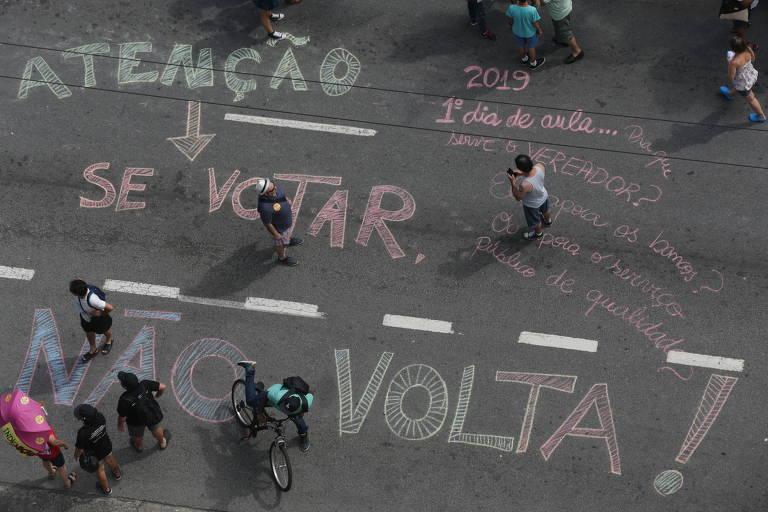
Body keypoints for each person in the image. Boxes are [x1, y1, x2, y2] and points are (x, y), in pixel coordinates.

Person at [237, 361, 314, 452]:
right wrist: (260, 413)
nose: (285, 411)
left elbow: (311, 393)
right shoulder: (276, 396)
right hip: (274, 394)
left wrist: (302, 412)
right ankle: (250, 370)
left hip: (292, 405)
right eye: (284, 409)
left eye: (288, 411)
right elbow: (266, 396)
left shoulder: (305, 402)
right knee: (251, 401)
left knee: (299, 421)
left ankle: (303, 436)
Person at [116, 371, 171, 452]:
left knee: (137, 435)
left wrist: (120, 425)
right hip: (151, 414)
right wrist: (157, 396)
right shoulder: (145, 384)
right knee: (155, 428)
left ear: (124, 386)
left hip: (135, 420)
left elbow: (122, 416)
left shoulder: (124, 399)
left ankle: (138, 446)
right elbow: (162, 387)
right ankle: (162, 442)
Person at [73, 404, 121, 496]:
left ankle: (106, 489)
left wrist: (76, 455)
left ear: (84, 419)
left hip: (94, 454)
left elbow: (80, 449)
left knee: (100, 470)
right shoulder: (100, 417)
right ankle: (117, 474)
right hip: (106, 445)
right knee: (110, 459)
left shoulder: (83, 432)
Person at [255, 178, 303, 267]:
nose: (276, 188)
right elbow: (267, 223)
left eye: (273, 185)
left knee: (288, 232)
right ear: (266, 193)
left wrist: (286, 199)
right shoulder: (265, 208)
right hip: (279, 229)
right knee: (280, 244)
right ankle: (282, 258)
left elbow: (282, 194)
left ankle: (289, 240)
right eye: (273, 189)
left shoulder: (274, 188)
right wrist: (276, 234)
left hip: (287, 222)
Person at [720, 36, 766, 122]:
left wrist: (729, 62)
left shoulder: (734, 62)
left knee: (751, 98)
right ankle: (730, 94)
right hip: (751, 75)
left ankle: (761, 116)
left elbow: (731, 76)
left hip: (743, 82)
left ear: (733, 49)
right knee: (739, 87)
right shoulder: (748, 50)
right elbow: (753, 59)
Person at [508, 154, 553, 240]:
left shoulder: (525, 184)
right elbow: (533, 175)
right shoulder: (540, 166)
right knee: (546, 210)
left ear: (520, 168)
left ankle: (538, 233)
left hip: (532, 205)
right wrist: (522, 173)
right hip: (543, 196)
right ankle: (548, 221)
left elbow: (518, 197)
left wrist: (512, 183)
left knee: (535, 221)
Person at [69, 279, 115, 362]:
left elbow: (110, 307)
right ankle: (93, 349)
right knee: (89, 332)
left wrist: (100, 313)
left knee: (104, 330)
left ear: (76, 293)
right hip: (85, 317)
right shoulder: (81, 292)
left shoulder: (93, 300)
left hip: (98, 319)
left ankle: (109, 340)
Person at [506, 0, 546, 69]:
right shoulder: (532, 10)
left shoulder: (511, 7)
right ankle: (533, 63)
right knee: (531, 47)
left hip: (517, 31)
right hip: (530, 33)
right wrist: (539, 30)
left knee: (520, 46)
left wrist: (511, 26)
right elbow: (535, 23)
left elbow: (510, 19)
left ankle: (524, 59)